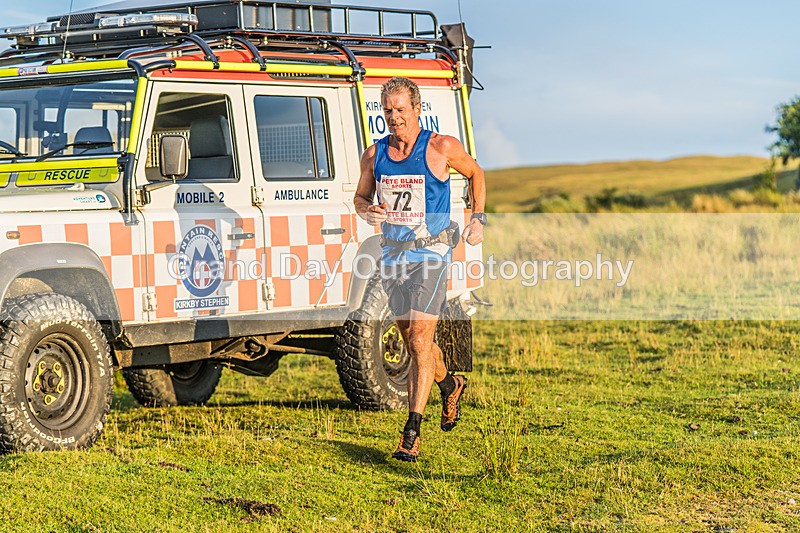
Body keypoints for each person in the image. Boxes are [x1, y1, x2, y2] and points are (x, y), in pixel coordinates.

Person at [354, 77, 487, 462]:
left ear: (416, 109)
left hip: (431, 255)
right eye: (388, 111)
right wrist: (369, 211)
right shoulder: (374, 155)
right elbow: (361, 198)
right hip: (393, 256)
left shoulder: (441, 147)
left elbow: (477, 174)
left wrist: (477, 219)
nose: (394, 118)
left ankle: (411, 432)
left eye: (401, 110)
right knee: (417, 341)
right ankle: (450, 385)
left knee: (417, 343)